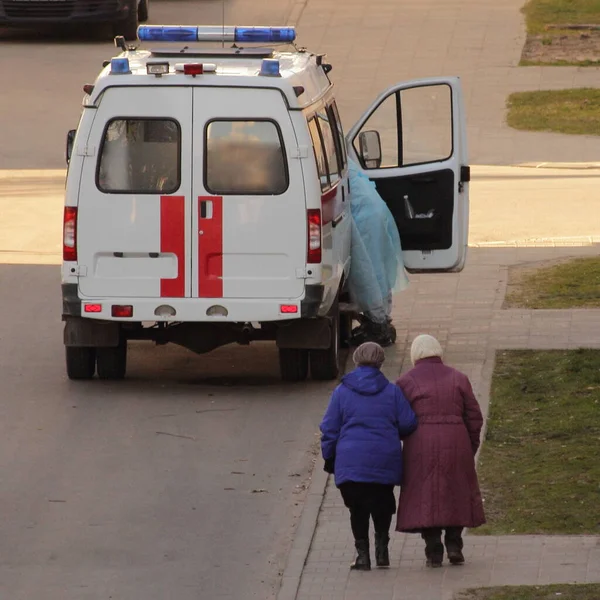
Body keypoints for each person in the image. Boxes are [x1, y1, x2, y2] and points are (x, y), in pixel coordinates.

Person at [320, 342, 417, 571]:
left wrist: (329, 457)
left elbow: (329, 428)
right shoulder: (392, 391)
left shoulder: (342, 392)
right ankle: (382, 551)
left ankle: (362, 556)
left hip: (351, 461)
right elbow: (408, 422)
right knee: (382, 505)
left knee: (358, 509)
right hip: (384, 459)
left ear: (356, 360)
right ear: (381, 363)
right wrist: (392, 433)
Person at [395, 334, 486, 568]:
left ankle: (433, 548)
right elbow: (474, 417)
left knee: (427, 495)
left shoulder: (405, 382)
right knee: (456, 491)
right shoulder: (459, 378)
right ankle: (454, 544)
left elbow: (398, 419)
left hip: (420, 444)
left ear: (415, 354)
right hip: (456, 440)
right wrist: (469, 445)